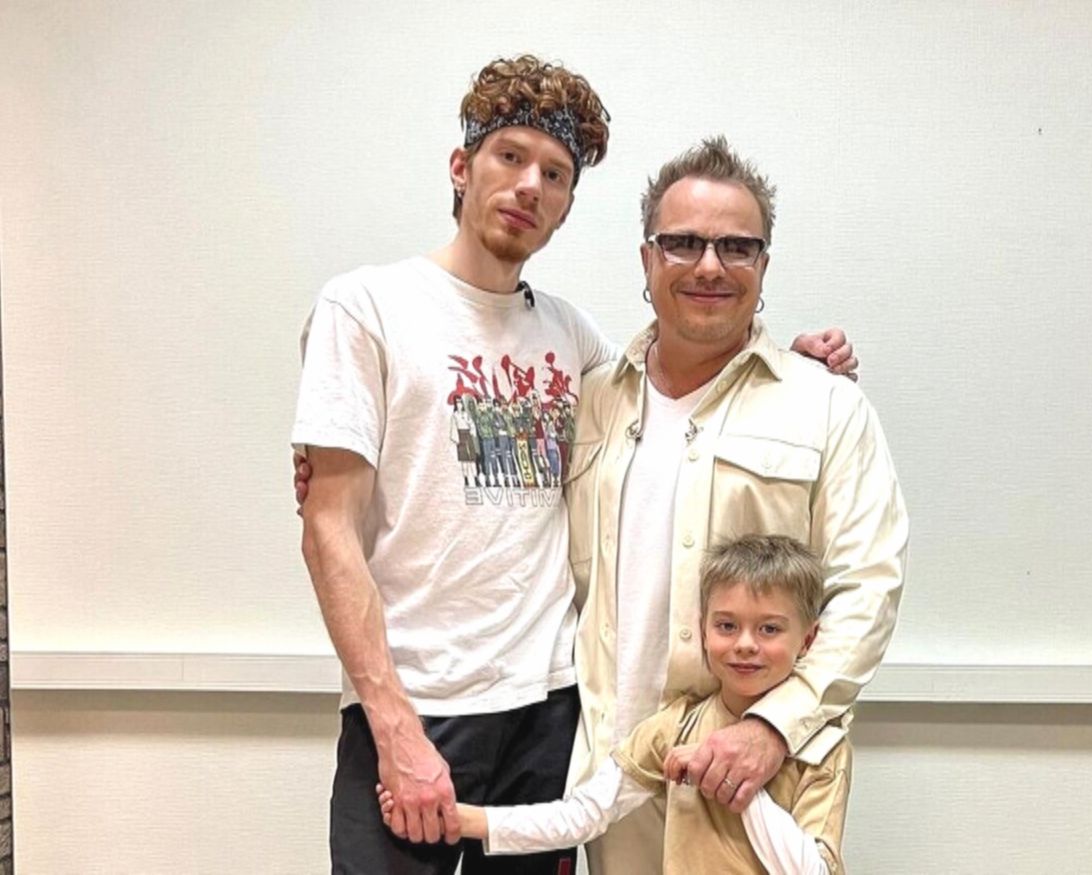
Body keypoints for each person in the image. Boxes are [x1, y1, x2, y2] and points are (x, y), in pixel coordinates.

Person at [292, 56, 855, 874]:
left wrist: (791, 365)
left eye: (554, 174)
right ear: (461, 167)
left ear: (565, 204)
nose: (530, 185)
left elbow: (680, 385)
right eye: (509, 157)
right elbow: (327, 530)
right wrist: (391, 721)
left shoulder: (573, 336)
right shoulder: (366, 307)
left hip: (549, 713)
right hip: (416, 705)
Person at [564, 136, 908, 873]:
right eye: (683, 242)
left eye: (736, 247)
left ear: (763, 266)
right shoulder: (590, 401)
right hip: (615, 777)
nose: (710, 266)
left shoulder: (826, 407)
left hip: (754, 780)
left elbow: (866, 590)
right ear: (647, 259)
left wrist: (772, 728)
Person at [381, 535, 851, 874]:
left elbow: (814, 869)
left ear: (808, 639)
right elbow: (584, 814)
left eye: (769, 629)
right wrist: (465, 818)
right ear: (702, 630)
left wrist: (732, 783)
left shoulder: (823, 747)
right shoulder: (676, 726)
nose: (745, 644)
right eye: (727, 626)